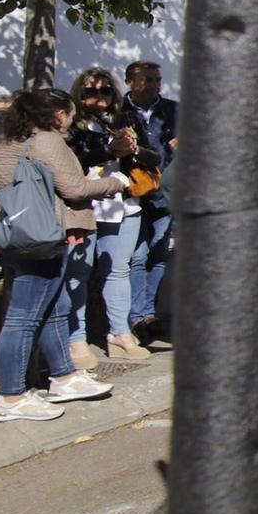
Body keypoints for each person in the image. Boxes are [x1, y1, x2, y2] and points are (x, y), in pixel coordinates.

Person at [0, 88, 124, 422]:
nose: (69, 122)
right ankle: (12, 395)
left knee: (55, 307)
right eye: (70, 115)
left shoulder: (6, 143)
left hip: (14, 237)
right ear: (58, 113)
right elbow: (74, 187)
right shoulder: (46, 140)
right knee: (24, 316)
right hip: (42, 239)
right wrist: (115, 182)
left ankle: (63, 376)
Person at [62, 68, 155, 366]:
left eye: (105, 91)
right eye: (90, 91)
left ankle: (120, 333)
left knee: (118, 269)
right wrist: (106, 149)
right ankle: (76, 338)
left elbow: (155, 157)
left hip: (123, 204)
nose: (98, 97)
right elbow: (70, 161)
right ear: (80, 93)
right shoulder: (71, 125)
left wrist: (134, 149)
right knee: (79, 273)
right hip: (84, 204)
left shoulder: (124, 120)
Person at [121, 59, 179, 336]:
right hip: (131, 194)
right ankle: (135, 316)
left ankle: (149, 314)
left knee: (157, 254)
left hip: (164, 194)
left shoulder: (172, 110)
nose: (155, 85)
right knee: (137, 255)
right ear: (131, 82)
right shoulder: (118, 111)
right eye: (148, 80)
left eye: (158, 79)